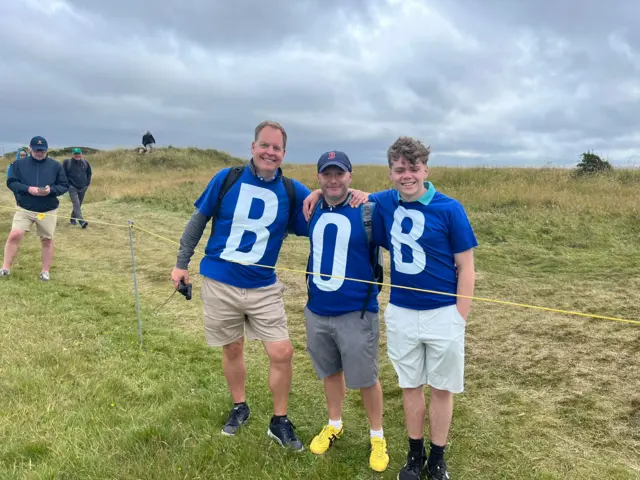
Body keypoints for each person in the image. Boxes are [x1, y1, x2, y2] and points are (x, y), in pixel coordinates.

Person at [303, 137, 478, 480]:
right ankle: (414, 455)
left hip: (443, 312)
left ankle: (437, 458)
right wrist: (315, 193)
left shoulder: (450, 208)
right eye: (400, 169)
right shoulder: (383, 202)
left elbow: (467, 267)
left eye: (414, 168)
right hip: (401, 311)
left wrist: (460, 316)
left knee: (441, 388)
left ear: (426, 169)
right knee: (410, 385)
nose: (407, 176)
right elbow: (346, 193)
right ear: (391, 172)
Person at [170, 120, 314, 451]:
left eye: (277, 148)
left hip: (264, 287)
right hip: (220, 282)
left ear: (284, 154)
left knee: (282, 352)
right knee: (232, 347)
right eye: (265, 145)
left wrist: (324, 193)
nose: (270, 152)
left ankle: (279, 421)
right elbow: (197, 222)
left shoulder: (292, 191)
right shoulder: (227, 179)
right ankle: (240, 406)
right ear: (253, 147)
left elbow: (323, 212)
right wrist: (181, 264)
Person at [288, 150, 390, 472]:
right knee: (330, 371)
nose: (333, 180)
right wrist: (316, 194)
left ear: (350, 176)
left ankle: (377, 436)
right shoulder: (312, 206)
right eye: (326, 175)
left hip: (357, 312)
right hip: (318, 309)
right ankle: (334, 423)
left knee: (366, 378)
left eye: (339, 174)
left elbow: (403, 209)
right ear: (318, 178)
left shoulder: (368, 210)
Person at [2, 136, 69, 281]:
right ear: (30, 148)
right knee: (15, 234)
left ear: (46, 150)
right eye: (37, 150)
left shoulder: (55, 166)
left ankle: (45, 271)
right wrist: (28, 189)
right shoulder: (18, 165)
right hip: (25, 208)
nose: (40, 153)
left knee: (46, 240)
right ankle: (5, 268)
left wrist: (50, 190)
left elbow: (64, 185)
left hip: (47, 210)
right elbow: (11, 182)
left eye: (43, 151)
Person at [63, 147, 92, 228]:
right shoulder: (67, 162)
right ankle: (81, 221)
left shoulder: (85, 162)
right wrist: (68, 185)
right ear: (72, 154)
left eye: (79, 153)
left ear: (81, 154)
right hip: (72, 187)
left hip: (83, 187)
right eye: (75, 154)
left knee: (79, 204)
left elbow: (89, 173)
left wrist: (87, 184)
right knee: (76, 203)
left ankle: (72, 218)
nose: (77, 155)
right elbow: (63, 174)